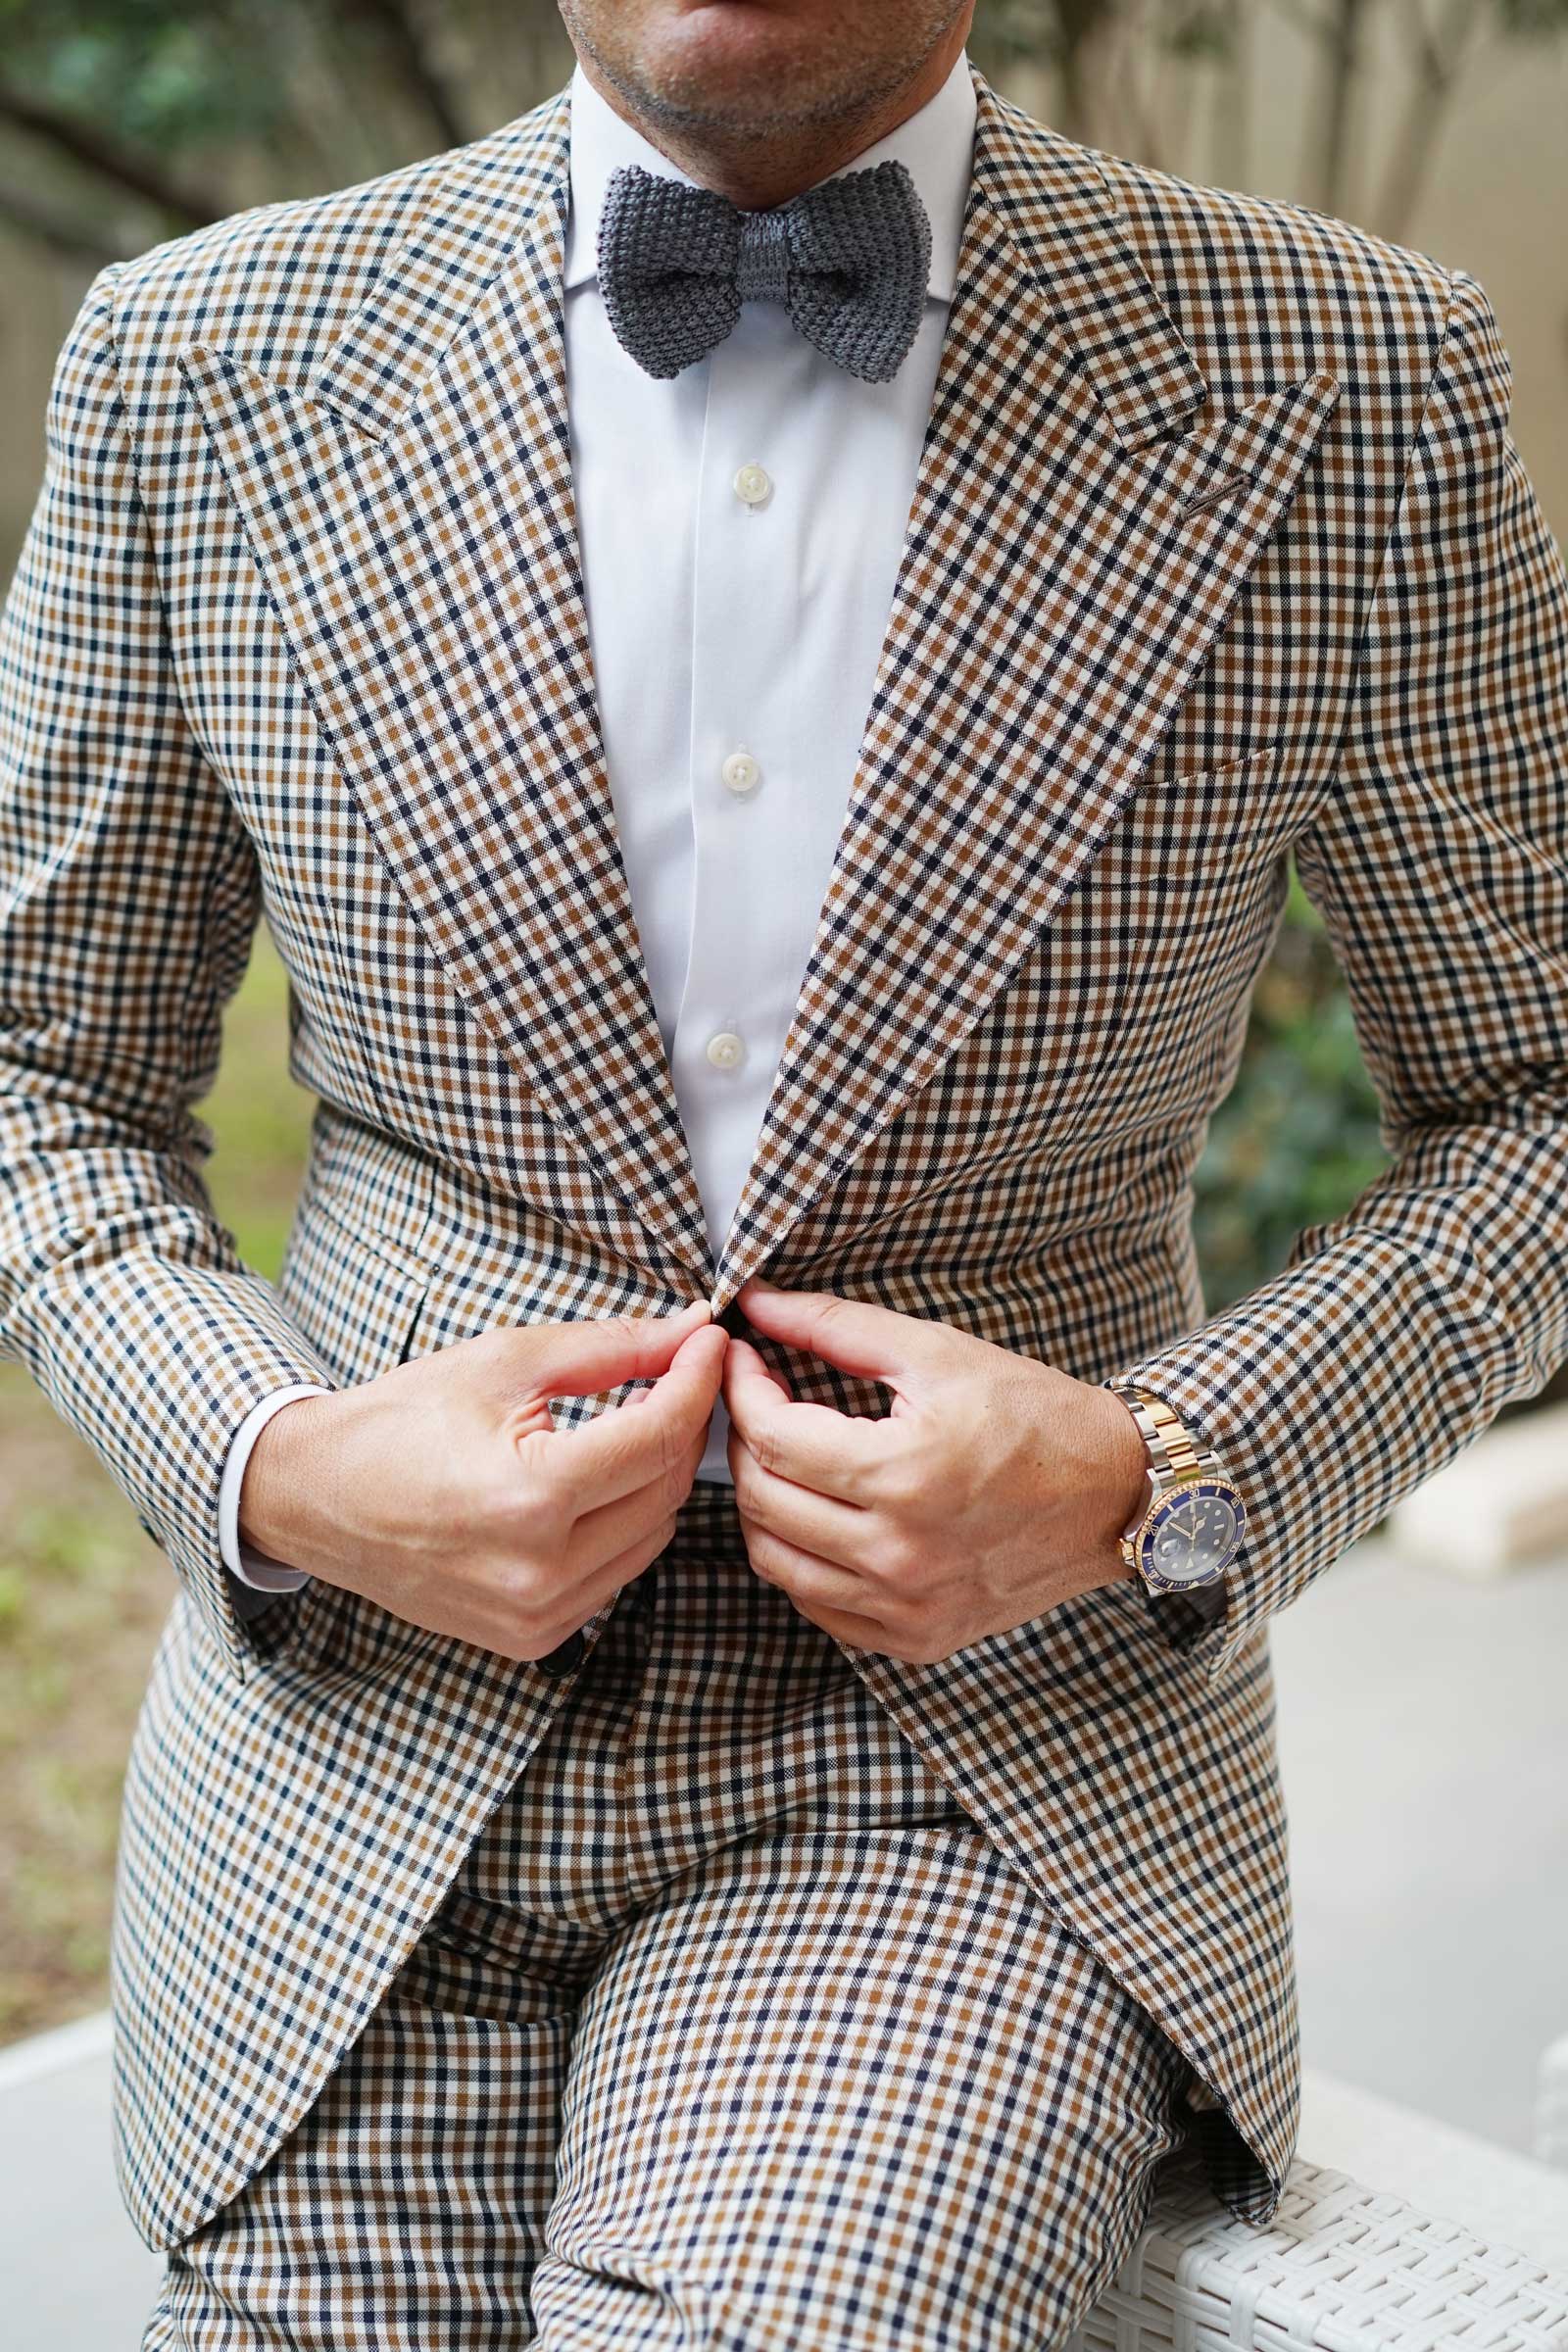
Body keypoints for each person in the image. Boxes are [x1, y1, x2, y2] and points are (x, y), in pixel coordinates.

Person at [1, 0, 1564, 2342]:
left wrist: (1159, 1467)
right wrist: (281, 1461)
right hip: (350, 1778)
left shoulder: (1353, 375)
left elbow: (1536, 1101)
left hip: (970, 1772)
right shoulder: (192, 360)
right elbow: (37, 1070)